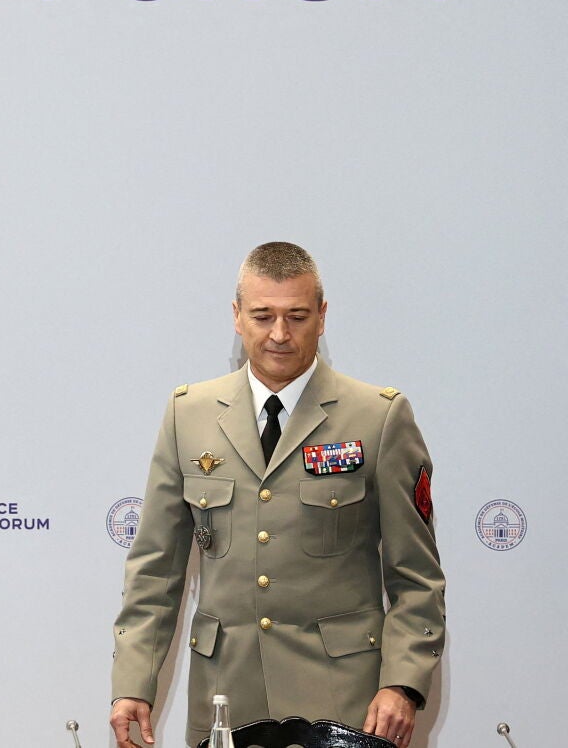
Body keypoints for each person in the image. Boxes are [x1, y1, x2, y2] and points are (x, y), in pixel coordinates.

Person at [109, 242, 446, 748]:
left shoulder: (378, 417)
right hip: (225, 701)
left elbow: (416, 577)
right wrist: (133, 683)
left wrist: (401, 684)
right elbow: (155, 570)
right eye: (263, 316)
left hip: (342, 705)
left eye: (297, 316)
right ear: (237, 316)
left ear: (323, 316)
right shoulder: (188, 414)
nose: (280, 334)